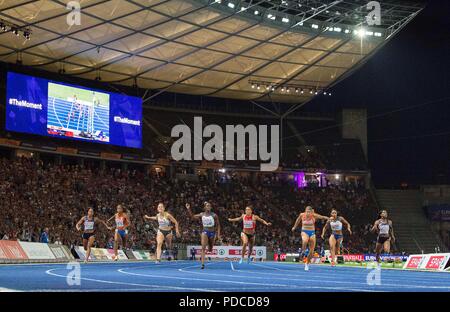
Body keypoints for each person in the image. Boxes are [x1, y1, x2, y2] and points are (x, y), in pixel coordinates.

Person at [185, 202, 221, 269]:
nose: (208, 207)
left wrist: (218, 235)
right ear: (204, 207)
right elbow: (192, 216)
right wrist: (188, 209)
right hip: (205, 231)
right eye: (207, 206)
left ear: (211, 207)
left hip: (212, 233)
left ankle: (209, 247)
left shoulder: (214, 215)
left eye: (209, 206)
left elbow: (218, 225)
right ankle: (202, 264)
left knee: (210, 249)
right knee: (203, 247)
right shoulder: (202, 214)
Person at [292, 206, 329, 271]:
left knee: (311, 251)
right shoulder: (302, 215)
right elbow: (297, 220)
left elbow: (322, 217)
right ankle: (303, 251)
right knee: (305, 241)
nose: (308, 213)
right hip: (304, 231)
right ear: (305, 211)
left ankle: (307, 263)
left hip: (312, 233)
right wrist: (294, 227)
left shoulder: (313, 215)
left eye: (309, 212)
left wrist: (329, 218)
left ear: (311, 212)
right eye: (307, 212)